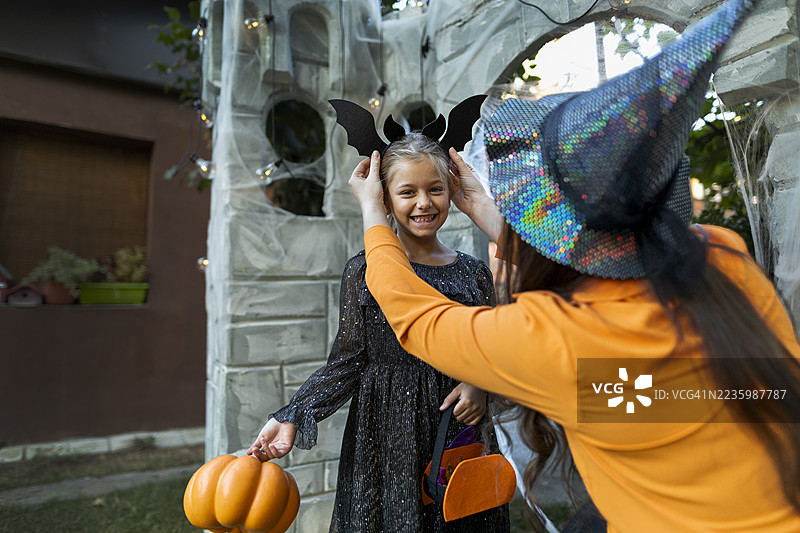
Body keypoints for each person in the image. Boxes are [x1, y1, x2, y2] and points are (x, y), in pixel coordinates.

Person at [347, 0, 800, 531]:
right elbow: (591, 283)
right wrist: (492, 214)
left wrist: (374, 215)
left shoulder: (554, 339)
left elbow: (418, 319)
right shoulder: (722, 254)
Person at [247, 132, 510, 533]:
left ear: (451, 190)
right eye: (408, 192)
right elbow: (349, 360)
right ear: (384, 199)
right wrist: (294, 415)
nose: (424, 202)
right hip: (387, 433)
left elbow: (497, 343)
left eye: (435, 189)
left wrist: (479, 383)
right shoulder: (363, 270)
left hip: (456, 429)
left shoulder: (473, 271)